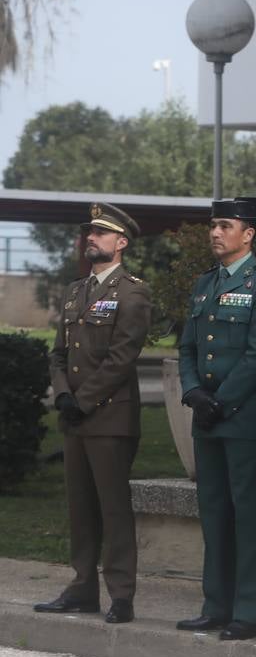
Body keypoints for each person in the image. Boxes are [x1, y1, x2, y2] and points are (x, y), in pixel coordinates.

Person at [176, 198, 256, 641]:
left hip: (241, 414)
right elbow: (187, 348)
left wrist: (220, 401)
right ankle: (215, 605)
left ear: (248, 234)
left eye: (225, 225)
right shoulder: (205, 285)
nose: (215, 232)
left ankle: (248, 611)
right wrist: (192, 392)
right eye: (213, 225)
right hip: (208, 413)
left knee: (247, 513)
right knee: (214, 511)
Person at [36, 203, 151, 625]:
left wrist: (82, 401)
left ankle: (121, 594)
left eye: (101, 233)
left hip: (109, 418)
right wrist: (63, 395)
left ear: (121, 243)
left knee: (113, 509)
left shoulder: (133, 292)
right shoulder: (74, 291)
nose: (92, 239)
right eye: (90, 233)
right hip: (75, 417)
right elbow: (58, 354)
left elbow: (122, 359)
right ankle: (82, 587)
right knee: (80, 508)